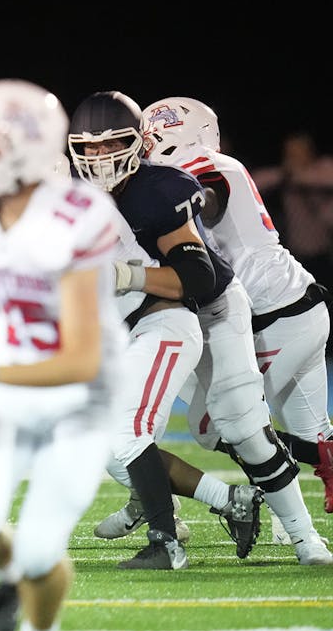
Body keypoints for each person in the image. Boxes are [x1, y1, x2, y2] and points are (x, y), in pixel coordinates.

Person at [69, 91, 330, 566]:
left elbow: (197, 278)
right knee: (108, 423)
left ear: (139, 142)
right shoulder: (69, 190)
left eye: (113, 145)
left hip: (210, 308)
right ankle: (147, 503)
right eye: (89, 147)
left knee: (239, 425)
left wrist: (123, 276)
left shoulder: (166, 186)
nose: (99, 158)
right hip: (144, 316)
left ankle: (305, 536)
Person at [0, 78, 128, 631]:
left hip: (82, 392)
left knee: (43, 551)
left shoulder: (74, 217)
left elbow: (81, 359)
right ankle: (14, 576)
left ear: (19, 152)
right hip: (14, 373)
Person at [143, 97, 333, 516]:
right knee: (314, 436)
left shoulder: (207, 169)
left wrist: (173, 205)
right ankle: (293, 521)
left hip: (273, 320)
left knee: (214, 425)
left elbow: (209, 198)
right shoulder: (193, 169)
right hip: (297, 309)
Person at [253, 131, 333, 288]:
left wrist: (294, 175)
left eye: (298, 151)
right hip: (296, 253)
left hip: (325, 252)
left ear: (310, 151)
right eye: (290, 152)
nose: (293, 156)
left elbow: (325, 178)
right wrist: (286, 173)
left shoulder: (322, 167)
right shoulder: (284, 174)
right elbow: (255, 181)